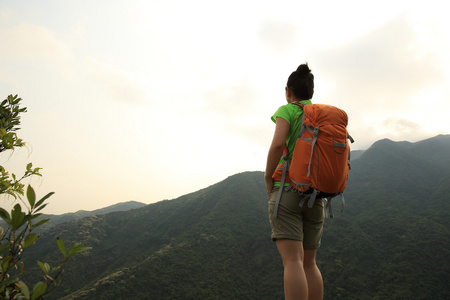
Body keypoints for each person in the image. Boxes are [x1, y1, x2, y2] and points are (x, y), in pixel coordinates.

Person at [265, 63, 324, 300]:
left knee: (292, 261)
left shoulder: (287, 110)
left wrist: (268, 177)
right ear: (312, 92)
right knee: (310, 263)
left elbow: (279, 144)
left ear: (288, 91)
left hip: (286, 192)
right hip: (315, 195)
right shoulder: (320, 114)